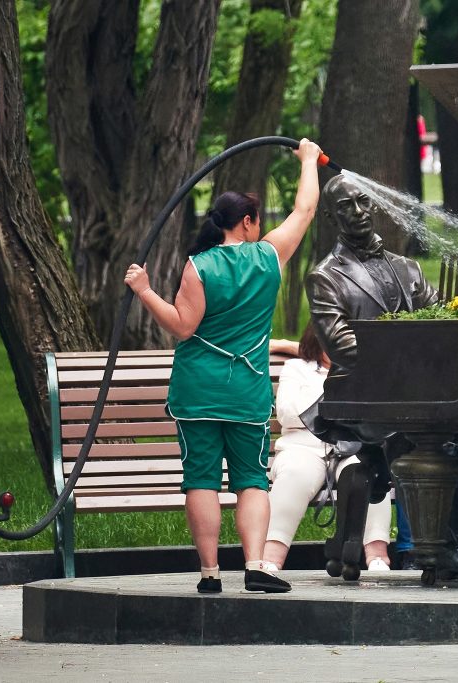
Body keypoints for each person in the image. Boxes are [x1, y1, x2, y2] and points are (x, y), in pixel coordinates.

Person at [124, 138, 323, 594]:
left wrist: (145, 290)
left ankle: (210, 574)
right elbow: (305, 210)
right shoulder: (268, 257)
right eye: (258, 220)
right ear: (248, 222)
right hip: (246, 390)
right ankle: (256, 567)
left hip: (197, 389)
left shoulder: (198, 266)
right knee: (252, 479)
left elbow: (183, 327)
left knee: (201, 480)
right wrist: (308, 161)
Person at [305, 173, 458, 572]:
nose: (357, 212)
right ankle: (434, 549)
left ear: (374, 205)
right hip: (361, 396)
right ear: (330, 217)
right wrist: (412, 357)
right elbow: (342, 347)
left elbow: (440, 325)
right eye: (345, 206)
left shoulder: (408, 269)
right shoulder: (324, 277)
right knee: (420, 432)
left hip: (420, 393)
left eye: (362, 201)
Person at [264, 329, 393, 572]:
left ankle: (377, 555)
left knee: (371, 471)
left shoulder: (363, 373)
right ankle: (270, 559)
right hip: (302, 447)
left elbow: (370, 414)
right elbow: (287, 414)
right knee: (295, 473)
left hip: (352, 444)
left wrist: (318, 412)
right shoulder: (296, 368)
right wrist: (337, 408)